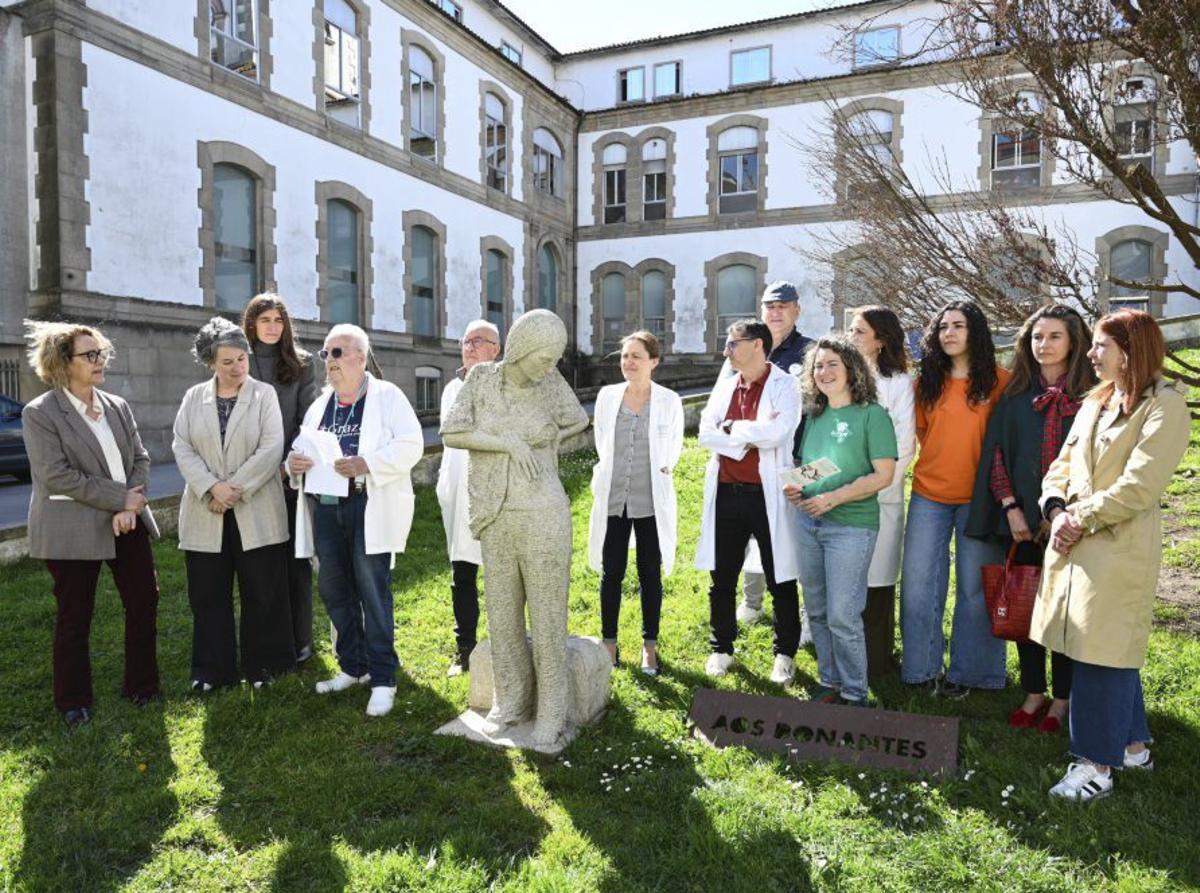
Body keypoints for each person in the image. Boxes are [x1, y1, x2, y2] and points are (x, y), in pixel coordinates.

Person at [1032, 311, 1189, 801]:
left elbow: (1139, 485)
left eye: (1101, 346)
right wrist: (1056, 510)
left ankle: (1095, 764)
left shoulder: (1165, 407)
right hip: (1073, 541)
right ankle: (1133, 746)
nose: (1091, 354)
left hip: (1117, 548)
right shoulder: (1094, 403)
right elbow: (1061, 465)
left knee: (1100, 649)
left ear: (1131, 349)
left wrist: (1079, 519)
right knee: (1100, 645)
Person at [441, 309, 590, 748]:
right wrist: (506, 442)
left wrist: (550, 437)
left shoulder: (551, 384)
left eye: (554, 360)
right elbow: (452, 431)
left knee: (547, 617)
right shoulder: (482, 379)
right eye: (542, 358)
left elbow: (577, 419)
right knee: (502, 613)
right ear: (520, 348)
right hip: (495, 510)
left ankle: (552, 710)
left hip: (543, 510)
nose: (548, 368)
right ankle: (511, 700)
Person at [21, 322, 161, 725]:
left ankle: (142, 687)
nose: (100, 361)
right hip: (71, 527)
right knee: (75, 614)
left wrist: (129, 506)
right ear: (63, 363)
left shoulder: (117, 405)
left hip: (128, 520)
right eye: (90, 355)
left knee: (143, 601)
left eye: (101, 353)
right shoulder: (41, 413)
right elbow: (56, 475)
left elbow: (141, 459)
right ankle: (72, 701)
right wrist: (120, 498)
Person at [966, 304, 1096, 733]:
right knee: (1027, 608)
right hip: (1020, 522)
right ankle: (1033, 692)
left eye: (1054, 336)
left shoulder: (1095, 398)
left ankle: (1063, 700)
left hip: (1072, 523)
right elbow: (996, 456)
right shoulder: (1017, 397)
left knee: (1063, 613)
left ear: (1074, 342)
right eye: (1037, 337)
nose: (1044, 345)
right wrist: (1011, 507)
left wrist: (1063, 512)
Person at [288, 324, 423, 718]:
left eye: (337, 353)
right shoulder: (320, 404)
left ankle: (383, 678)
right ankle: (353, 666)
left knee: (372, 590)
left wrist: (368, 464)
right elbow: (302, 449)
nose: (328, 362)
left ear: (360, 358)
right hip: (327, 508)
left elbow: (412, 444)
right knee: (333, 590)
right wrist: (292, 463)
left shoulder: (387, 397)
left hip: (368, 505)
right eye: (326, 354)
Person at [173, 317, 293, 692]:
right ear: (210, 363)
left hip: (255, 507)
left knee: (263, 591)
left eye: (242, 359)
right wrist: (211, 488)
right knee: (208, 595)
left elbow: (272, 447)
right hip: (205, 511)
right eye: (228, 362)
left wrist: (233, 489)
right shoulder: (194, 398)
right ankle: (212, 672)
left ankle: (265, 668)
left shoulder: (264, 395)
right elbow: (182, 446)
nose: (238, 367)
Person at [900, 300, 1011, 698]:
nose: (949, 333)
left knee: (974, 588)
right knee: (918, 584)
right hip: (929, 495)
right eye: (942, 326)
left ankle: (972, 674)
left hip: (980, 500)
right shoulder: (925, 384)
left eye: (958, 326)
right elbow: (922, 435)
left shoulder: (1001, 382)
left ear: (975, 333)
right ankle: (920, 670)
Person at [786, 337, 897, 706]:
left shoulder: (872, 415)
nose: (824, 372)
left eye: (832, 363)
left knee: (843, 614)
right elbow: (813, 468)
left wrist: (833, 498)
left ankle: (854, 693)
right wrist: (796, 487)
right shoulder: (815, 416)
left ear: (852, 368)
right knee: (816, 607)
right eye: (818, 365)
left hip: (850, 526)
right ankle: (829, 682)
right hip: (808, 522)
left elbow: (883, 475)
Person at [696, 319, 802, 684]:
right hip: (727, 492)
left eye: (732, 344)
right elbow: (704, 433)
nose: (727, 351)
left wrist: (731, 429)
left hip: (767, 493)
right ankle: (722, 647)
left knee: (780, 576)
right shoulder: (726, 386)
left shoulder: (786, 385)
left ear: (757, 344)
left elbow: (778, 432)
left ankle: (784, 654)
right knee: (721, 577)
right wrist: (745, 435)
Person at [587, 330, 684, 676]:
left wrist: (661, 469)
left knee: (649, 573)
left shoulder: (669, 401)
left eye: (636, 357)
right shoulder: (607, 396)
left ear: (653, 362)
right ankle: (609, 643)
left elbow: (672, 448)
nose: (628, 363)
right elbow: (603, 442)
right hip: (615, 497)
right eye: (625, 356)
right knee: (611, 571)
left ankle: (649, 647)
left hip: (651, 500)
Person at [242, 294, 320, 663]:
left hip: (287, 478)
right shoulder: (240, 362)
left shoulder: (302, 364)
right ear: (252, 324)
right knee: (260, 566)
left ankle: (301, 638)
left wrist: (286, 464)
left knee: (295, 563)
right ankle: (269, 641)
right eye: (265, 320)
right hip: (247, 479)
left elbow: (308, 420)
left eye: (278, 320)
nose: (272, 326)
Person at [730, 281, 813, 628]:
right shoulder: (749, 348)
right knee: (753, 531)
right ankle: (752, 602)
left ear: (797, 310)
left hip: (798, 458)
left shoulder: (811, 352)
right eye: (770, 306)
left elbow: (814, 407)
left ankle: (807, 613)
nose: (776, 312)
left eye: (783, 306)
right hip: (750, 459)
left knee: (797, 534)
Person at [847, 306, 915, 680]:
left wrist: (875, 486)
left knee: (877, 580)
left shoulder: (898, 383)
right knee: (845, 579)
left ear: (881, 340)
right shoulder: (840, 376)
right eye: (851, 330)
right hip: (840, 497)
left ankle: (875, 662)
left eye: (859, 332)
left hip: (879, 497)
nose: (851, 338)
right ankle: (843, 660)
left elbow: (904, 444)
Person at [437, 319, 501, 677]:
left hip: (497, 492)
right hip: (459, 491)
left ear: (497, 349)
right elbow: (452, 435)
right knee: (462, 572)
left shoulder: (507, 385)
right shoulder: (451, 388)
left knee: (502, 575)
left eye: (480, 341)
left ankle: (505, 647)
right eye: (467, 341)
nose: (471, 346)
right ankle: (466, 649)